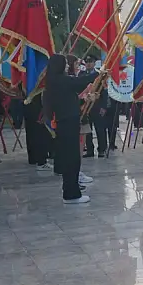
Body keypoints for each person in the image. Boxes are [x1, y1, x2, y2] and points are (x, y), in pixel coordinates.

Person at [44, 54, 101, 205]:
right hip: (66, 123)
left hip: (66, 122)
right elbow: (79, 82)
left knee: (71, 158)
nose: (68, 66)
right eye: (66, 64)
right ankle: (71, 194)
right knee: (71, 159)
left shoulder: (55, 80)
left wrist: (84, 99)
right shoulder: (59, 80)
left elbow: (71, 95)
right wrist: (98, 73)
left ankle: (71, 190)